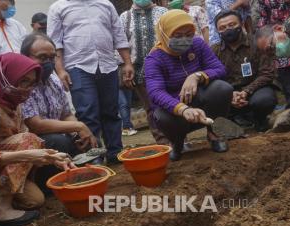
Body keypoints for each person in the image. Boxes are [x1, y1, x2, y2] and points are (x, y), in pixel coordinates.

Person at [0, 53, 74, 226]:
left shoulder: (12, 101)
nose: (28, 88)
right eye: (23, 81)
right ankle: (1, 210)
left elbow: (20, 137)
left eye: (32, 83)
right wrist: (28, 155)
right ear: (5, 77)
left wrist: (54, 157)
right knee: (29, 140)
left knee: (35, 201)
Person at [48, 0, 135, 165]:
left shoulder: (105, 4)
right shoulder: (58, 7)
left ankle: (115, 152)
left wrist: (127, 62)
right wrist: (60, 70)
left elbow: (118, 34)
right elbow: (55, 42)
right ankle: (94, 156)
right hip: (77, 66)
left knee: (111, 111)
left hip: (107, 64)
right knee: (88, 112)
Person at [144, 10, 234, 161]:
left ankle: (215, 135)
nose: (184, 39)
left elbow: (219, 69)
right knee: (160, 116)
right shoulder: (154, 59)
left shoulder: (197, 44)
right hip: (174, 107)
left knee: (222, 88)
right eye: (177, 36)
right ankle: (177, 143)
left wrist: (197, 76)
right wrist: (182, 108)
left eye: (188, 34)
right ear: (164, 34)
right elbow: (155, 92)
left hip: (200, 97)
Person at [20, 33, 98, 192]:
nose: (48, 63)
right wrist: (77, 126)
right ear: (25, 57)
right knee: (58, 142)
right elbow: (36, 124)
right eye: (42, 57)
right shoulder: (23, 84)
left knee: (85, 139)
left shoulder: (54, 81)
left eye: (52, 57)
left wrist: (77, 132)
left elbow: (66, 114)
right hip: (29, 143)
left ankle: (81, 176)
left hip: (56, 134)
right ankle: (49, 185)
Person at [212, 10, 276, 131]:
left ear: (241, 24)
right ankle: (233, 119)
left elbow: (267, 73)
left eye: (232, 25)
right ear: (218, 31)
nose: (228, 29)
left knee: (264, 100)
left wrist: (246, 91)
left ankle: (260, 119)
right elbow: (212, 78)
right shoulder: (214, 51)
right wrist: (230, 95)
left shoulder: (257, 43)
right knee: (212, 99)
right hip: (228, 93)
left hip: (255, 89)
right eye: (222, 27)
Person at [118, 0, 168, 141]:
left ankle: (178, 138)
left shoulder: (163, 13)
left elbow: (170, 36)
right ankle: (162, 140)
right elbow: (120, 43)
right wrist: (124, 67)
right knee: (151, 107)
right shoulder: (125, 17)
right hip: (139, 71)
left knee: (171, 103)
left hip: (165, 68)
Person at [256, 0, 290, 107]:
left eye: (272, 47)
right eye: (270, 52)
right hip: (272, 32)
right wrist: (263, 34)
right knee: (286, 80)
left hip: (281, 32)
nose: (275, 51)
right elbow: (263, 16)